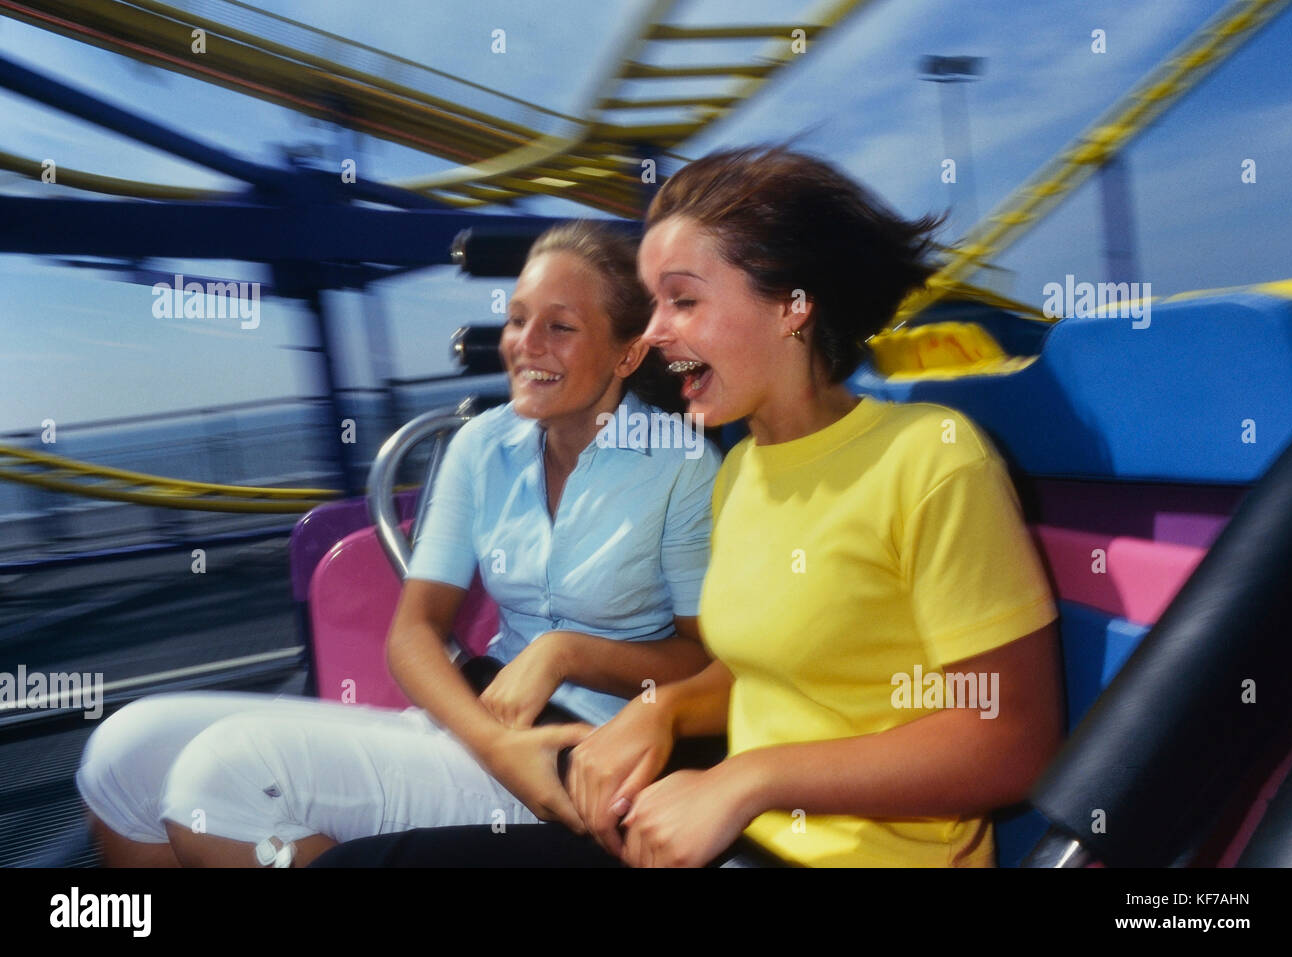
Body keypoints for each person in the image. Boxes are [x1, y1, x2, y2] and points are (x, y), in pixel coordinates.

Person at [315, 145, 1063, 868]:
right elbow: (754, 676)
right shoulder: (742, 470)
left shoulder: (931, 456)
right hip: (722, 834)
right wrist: (661, 711)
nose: (655, 331)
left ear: (792, 307)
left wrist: (748, 779)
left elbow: (1011, 742)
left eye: (683, 300)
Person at [75, 220, 721, 867]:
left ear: (627, 355)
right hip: (484, 723)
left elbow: (703, 661)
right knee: (122, 754)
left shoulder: (680, 466)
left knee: (222, 784)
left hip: (586, 752)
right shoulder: (480, 445)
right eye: (518, 319)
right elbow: (412, 632)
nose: (525, 345)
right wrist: (491, 744)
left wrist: (566, 651)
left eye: (560, 327)